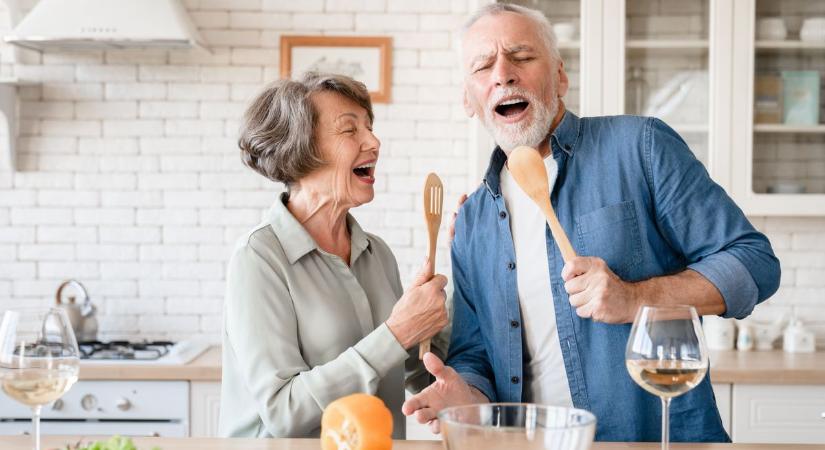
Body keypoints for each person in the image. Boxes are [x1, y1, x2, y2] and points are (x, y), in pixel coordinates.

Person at [403, 4, 780, 443]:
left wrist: (635, 298)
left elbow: (755, 263)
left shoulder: (640, 146)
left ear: (560, 77)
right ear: (469, 99)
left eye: (522, 57)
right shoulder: (471, 222)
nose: (503, 74)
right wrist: (466, 397)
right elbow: (475, 356)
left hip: (658, 439)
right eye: (483, 65)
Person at [219, 72, 449, 439]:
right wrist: (397, 330)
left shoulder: (377, 254)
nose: (373, 141)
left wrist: (437, 309)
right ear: (300, 149)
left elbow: (414, 370)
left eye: (370, 128)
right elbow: (283, 411)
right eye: (349, 130)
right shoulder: (259, 258)